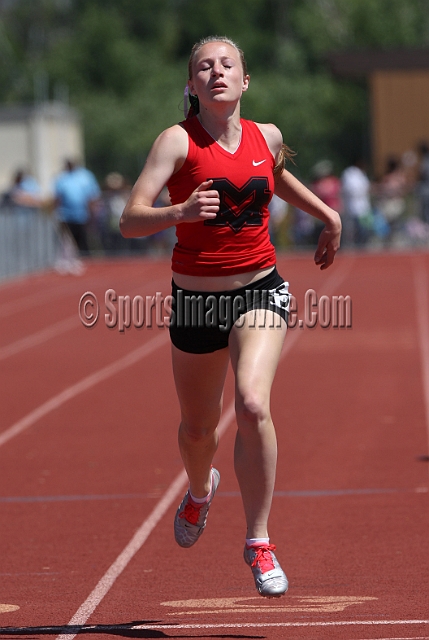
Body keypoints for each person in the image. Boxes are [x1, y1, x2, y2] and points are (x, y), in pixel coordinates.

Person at [120, 36, 341, 598]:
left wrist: (327, 214)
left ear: (245, 81)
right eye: (203, 67)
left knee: (251, 403)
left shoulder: (267, 136)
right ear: (191, 87)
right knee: (198, 431)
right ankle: (199, 491)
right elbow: (129, 220)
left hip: (258, 291)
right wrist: (181, 211)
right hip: (195, 300)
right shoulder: (176, 143)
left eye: (226, 64)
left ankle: (259, 541)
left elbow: (272, 177)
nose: (215, 72)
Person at [54, 158, 101, 255]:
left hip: (83, 215)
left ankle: (86, 258)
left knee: (84, 240)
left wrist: (92, 213)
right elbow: (58, 197)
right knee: (68, 240)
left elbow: (93, 195)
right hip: (66, 215)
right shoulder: (62, 178)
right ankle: (71, 259)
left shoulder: (86, 176)